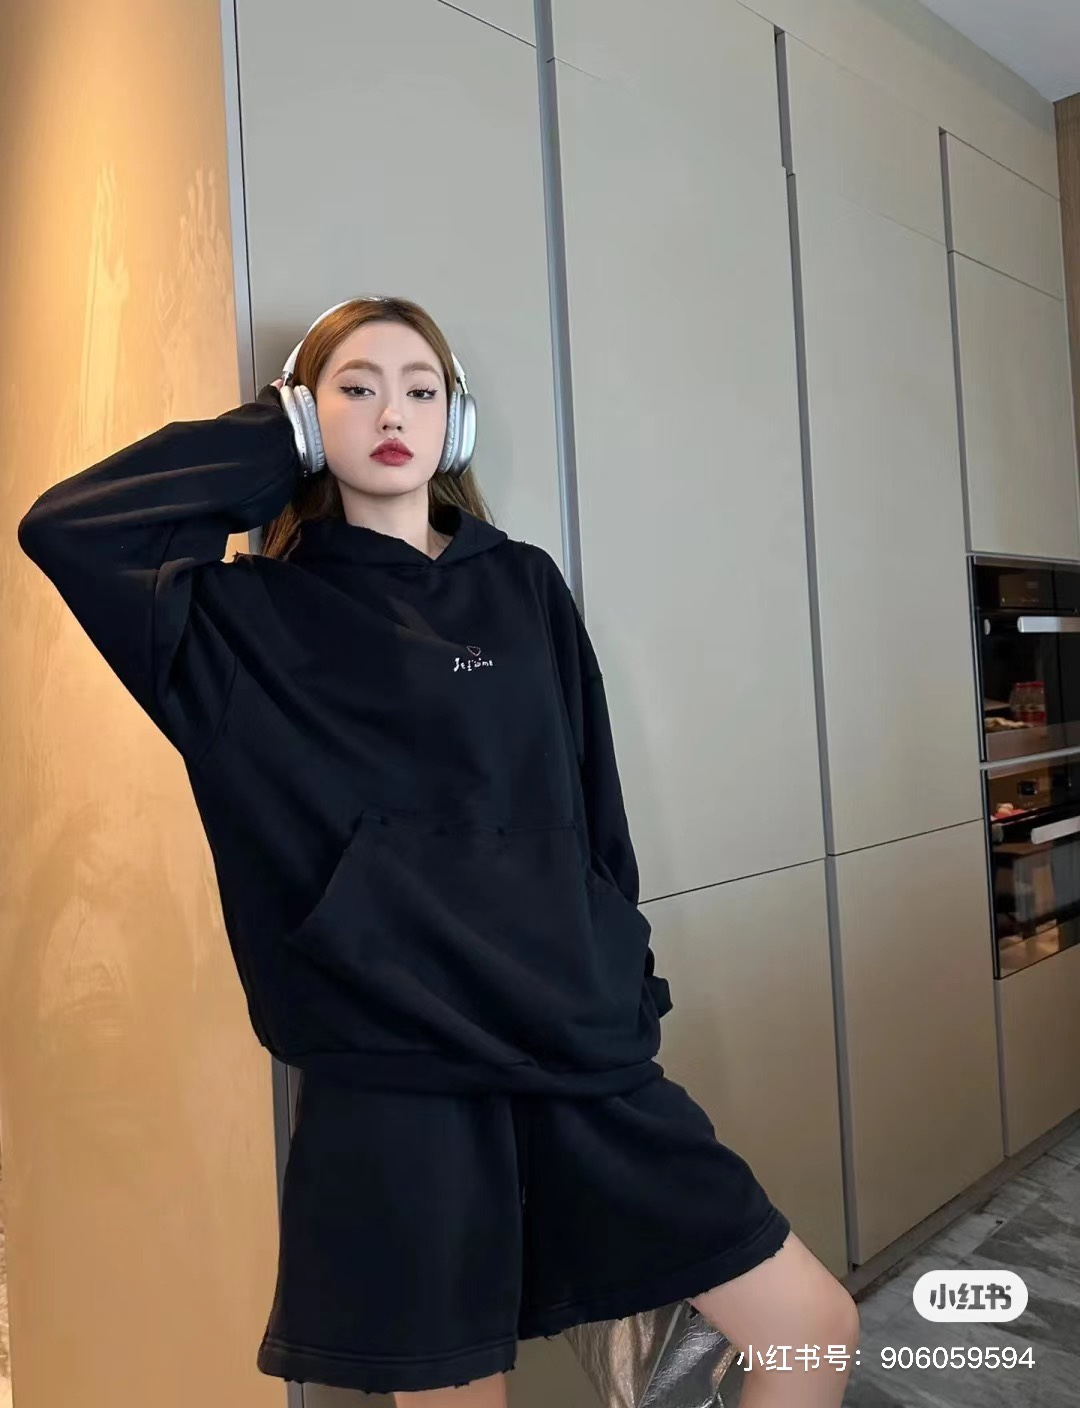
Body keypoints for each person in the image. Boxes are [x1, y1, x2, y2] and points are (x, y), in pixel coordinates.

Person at [17, 295, 859, 1405]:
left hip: (568, 1039)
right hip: (394, 1066)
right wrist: (277, 440)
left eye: (421, 390)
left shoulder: (523, 585)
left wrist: (621, 977)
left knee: (811, 1326)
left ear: (455, 423)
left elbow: (591, 809)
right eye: (354, 389)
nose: (391, 414)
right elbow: (70, 529)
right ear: (306, 417)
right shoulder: (243, 618)